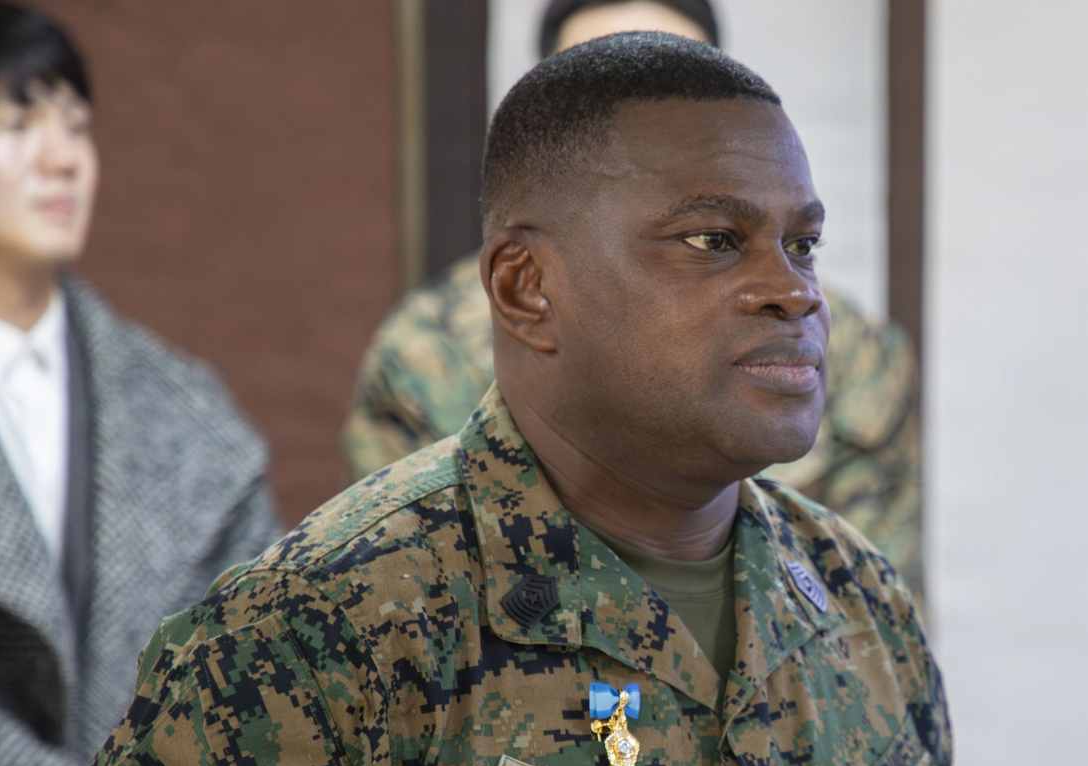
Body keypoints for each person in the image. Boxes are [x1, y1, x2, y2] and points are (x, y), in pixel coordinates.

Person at [0, 33, 950, 766]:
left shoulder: (862, 615)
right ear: (526, 287)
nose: (793, 291)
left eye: (803, 244)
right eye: (713, 240)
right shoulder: (323, 637)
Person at [342, 0, 923, 590]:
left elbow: (868, 607)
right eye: (605, 78)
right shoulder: (428, 352)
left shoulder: (845, 353)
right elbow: (402, 578)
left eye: (805, 245)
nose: (791, 294)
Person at [0, 1, 277, 766]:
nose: (63, 157)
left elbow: (260, 674)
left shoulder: (186, 415)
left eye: (77, 126)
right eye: (17, 123)